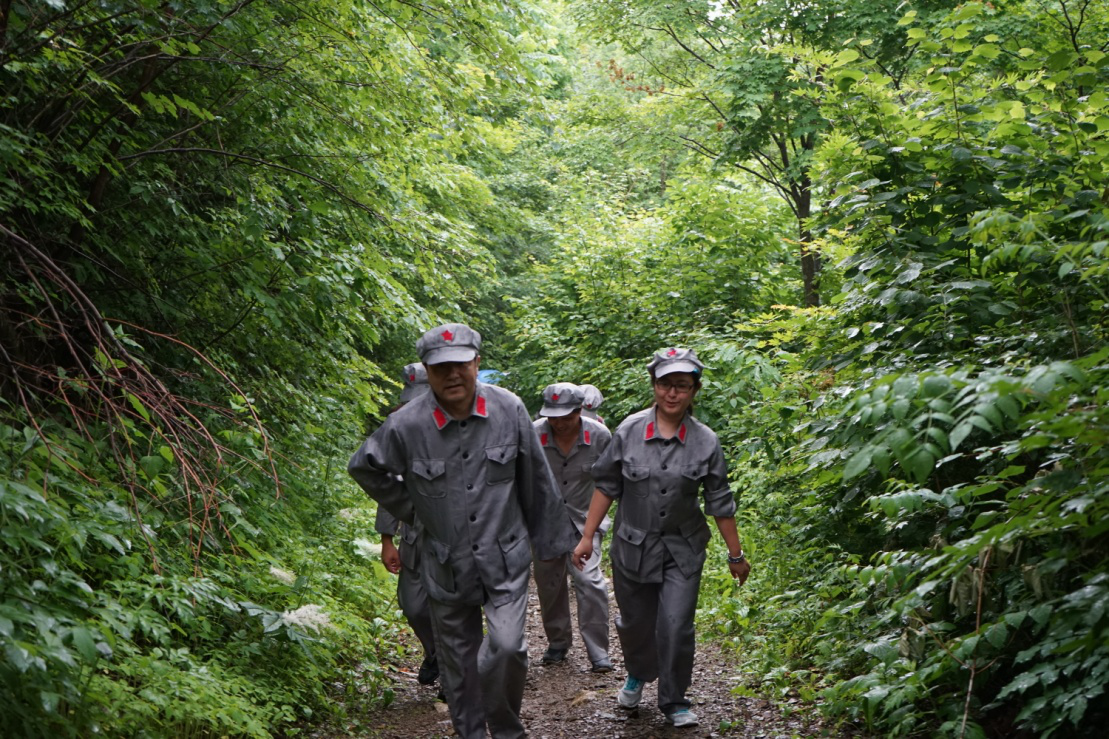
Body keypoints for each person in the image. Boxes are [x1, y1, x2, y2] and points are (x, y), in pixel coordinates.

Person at [348, 323, 578, 739]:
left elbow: (536, 479)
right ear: (427, 371)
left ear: (476, 362)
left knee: (507, 647)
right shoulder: (407, 425)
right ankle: (471, 731)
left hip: (504, 558)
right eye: (440, 368)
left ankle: (507, 729)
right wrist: (412, 509)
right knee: (458, 662)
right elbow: (364, 467)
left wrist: (551, 544)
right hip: (445, 563)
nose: (452, 375)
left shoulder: (508, 409)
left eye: (460, 365)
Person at [572, 347, 751, 729]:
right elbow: (606, 486)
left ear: (694, 391)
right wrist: (588, 537)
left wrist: (736, 555)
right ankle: (638, 673)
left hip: (683, 549)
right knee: (636, 622)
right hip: (633, 547)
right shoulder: (629, 431)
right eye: (666, 385)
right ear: (654, 386)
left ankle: (675, 699)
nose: (673, 393)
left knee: (676, 624)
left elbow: (720, 501)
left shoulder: (706, 441)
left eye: (682, 386)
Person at [532, 382, 613, 672]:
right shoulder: (534, 433)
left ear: (580, 411)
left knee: (590, 582)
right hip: (545, 522)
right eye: (553, 417)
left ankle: (598, 651)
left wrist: (591, 532)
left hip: (585, 520)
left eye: (566, 417)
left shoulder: (600, 436)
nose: (559, 424)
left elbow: (608, 483)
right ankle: (557, 642)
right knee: (549, 583)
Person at [374, 362, 437, 686]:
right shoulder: (397, 428)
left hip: (457, 539)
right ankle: (434, 653)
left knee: (453, 611)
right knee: (413, 606)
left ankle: (457, 680)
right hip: (415, 537)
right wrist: (387, 538)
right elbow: (388, 484)